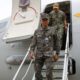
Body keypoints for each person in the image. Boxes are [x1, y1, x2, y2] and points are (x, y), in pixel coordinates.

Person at [29, 13, 58, 80]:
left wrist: (57, 53)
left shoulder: (52, 30)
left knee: (48, 73)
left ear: (48, 21)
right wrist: (31, 52)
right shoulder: (36, 31)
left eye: (46, 20)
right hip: (39, 55)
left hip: (49, 55)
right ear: (41, 21)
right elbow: (33, 43)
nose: (45, 21)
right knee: (37, 73)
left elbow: (57, 42)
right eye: (43, 20)